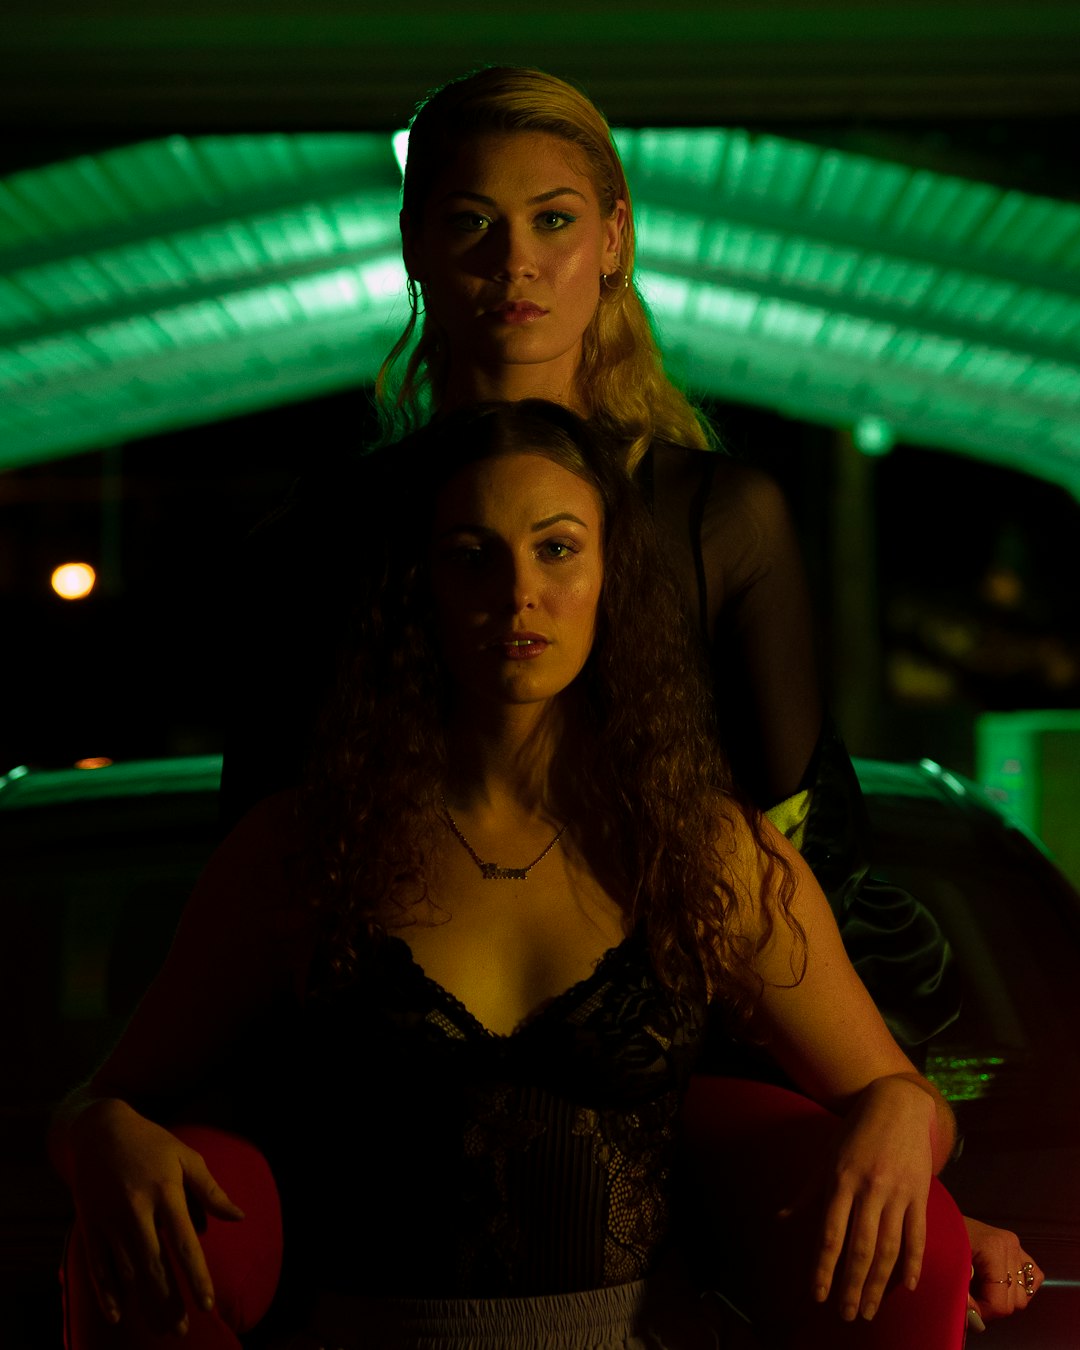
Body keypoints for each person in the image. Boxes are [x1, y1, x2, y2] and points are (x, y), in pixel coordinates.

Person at [213, 67, 1039, 1332]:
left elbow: (816, 859)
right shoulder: (317, 543)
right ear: (415, 247)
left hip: (680, 1146)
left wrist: (891, 1159)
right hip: (380, 1176)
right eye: (471, 223)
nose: (514, 265)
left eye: (552, 220)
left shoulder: (719, 521)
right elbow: (255, 900)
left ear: (616, 240)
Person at [53, 401, 973, 1348]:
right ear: (421, 587)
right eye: (471, 553)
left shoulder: (701, 848)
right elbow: (101, 1098)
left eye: (558, 549)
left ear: (613, 575)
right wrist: (96, 1136)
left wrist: (906, 1113)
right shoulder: (304, 847)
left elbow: (901, 1098)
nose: (519, 592)